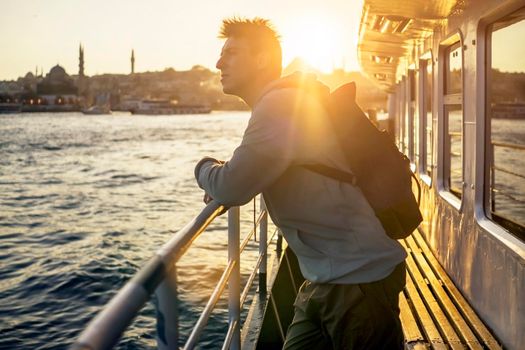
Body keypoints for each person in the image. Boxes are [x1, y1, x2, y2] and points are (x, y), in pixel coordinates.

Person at [194, 17, 407, 349]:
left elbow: (231, 186)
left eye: (231, 53)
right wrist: (229, 176)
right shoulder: (281, 103)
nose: (219, 62)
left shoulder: (280, 105)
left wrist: (203, 167)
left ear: (262, 58)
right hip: (325, 277)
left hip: (358, 281)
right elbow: (245, 173)